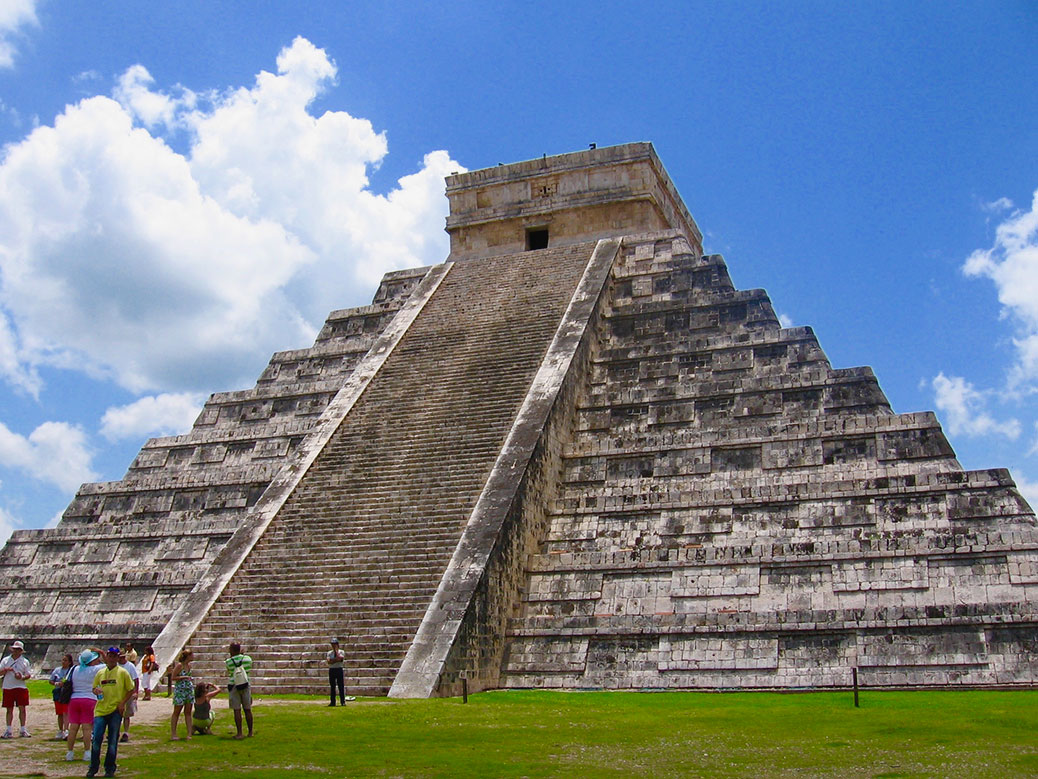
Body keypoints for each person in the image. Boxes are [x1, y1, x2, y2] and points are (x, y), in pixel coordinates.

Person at [88, 647, 134, 778]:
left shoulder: (123, 673)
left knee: (112, 741)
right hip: (101, 710)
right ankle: (93, 767)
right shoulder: (100, 673)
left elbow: (130, 689)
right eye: (110, 656)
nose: (112, 658)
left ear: (118, 658)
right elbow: (94, 688)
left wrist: (122, 702)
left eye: (115, 656)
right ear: (107, 657)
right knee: (96, 740)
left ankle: (109, 768)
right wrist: (96, 691)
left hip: (115, 710)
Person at [66, 649, 102, 762]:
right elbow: (108, 664)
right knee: (87, 728)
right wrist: (101, 652)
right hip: (89, 698)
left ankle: (70, 752)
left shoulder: (75, 669)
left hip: (74, 698)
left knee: (73, 728)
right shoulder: (95, 669)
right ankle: (87, 752)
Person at [0, 640, 32, 738]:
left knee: (22, 709)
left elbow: (28, 675)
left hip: (20, 687)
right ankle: (9, 730)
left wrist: (21, 677)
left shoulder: (25, 661)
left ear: (21, 651)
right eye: (15, 649)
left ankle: (23, 729)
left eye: (18, 649)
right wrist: (6, 670)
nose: (16, 651)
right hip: (8, 687)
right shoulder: (5, 660)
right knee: (9, 709)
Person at [225, 642, 253, 739]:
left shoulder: (228, 661)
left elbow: (230, 671)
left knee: (237, 710)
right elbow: (249, 668)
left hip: (234, 685)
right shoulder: (247, 659)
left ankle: (239, 733)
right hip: (245, 684)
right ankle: (250, 732)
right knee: (247, 709)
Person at [169, 649, 194, 740]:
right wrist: (184, 677)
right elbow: (173, 677)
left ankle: (189, 733)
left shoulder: (189, 666)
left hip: (188, 690)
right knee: (177, 712)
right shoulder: (180, 666)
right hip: (180, 691)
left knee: (188, 712)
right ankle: (173, 734)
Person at [48, 653, 74, 740]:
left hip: (67, 693)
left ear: (70, 662)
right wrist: (56, 683)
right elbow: (51, 680)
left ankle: (66, 730)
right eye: (62, 660)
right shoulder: (57, 670)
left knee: (66, 712)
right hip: (58, 692)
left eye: (65, 660)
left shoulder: (71, 670)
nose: (63, 662)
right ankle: (60, 730)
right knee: (59, 713)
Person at [117, 650, 139, 742]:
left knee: (127, 714)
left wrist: (136, 692)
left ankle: (126, 732)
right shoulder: (116, 666)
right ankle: (116, 732)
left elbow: (136, 679)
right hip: (118, 692)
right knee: (117, 714)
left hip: (128, 692)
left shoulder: (130, 666)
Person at [326, 639, 345, 706]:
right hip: (332, 670)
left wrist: (336, 653)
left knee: (341, 686)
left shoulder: (341, 652)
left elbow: (340, 659)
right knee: (332, 686)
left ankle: (342, 701)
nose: (333, 646)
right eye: (332, 644)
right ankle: (332, 702)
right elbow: (329, 661)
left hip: (339, 669)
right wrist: (335, 660)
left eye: (334, 644)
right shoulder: (329, 653)